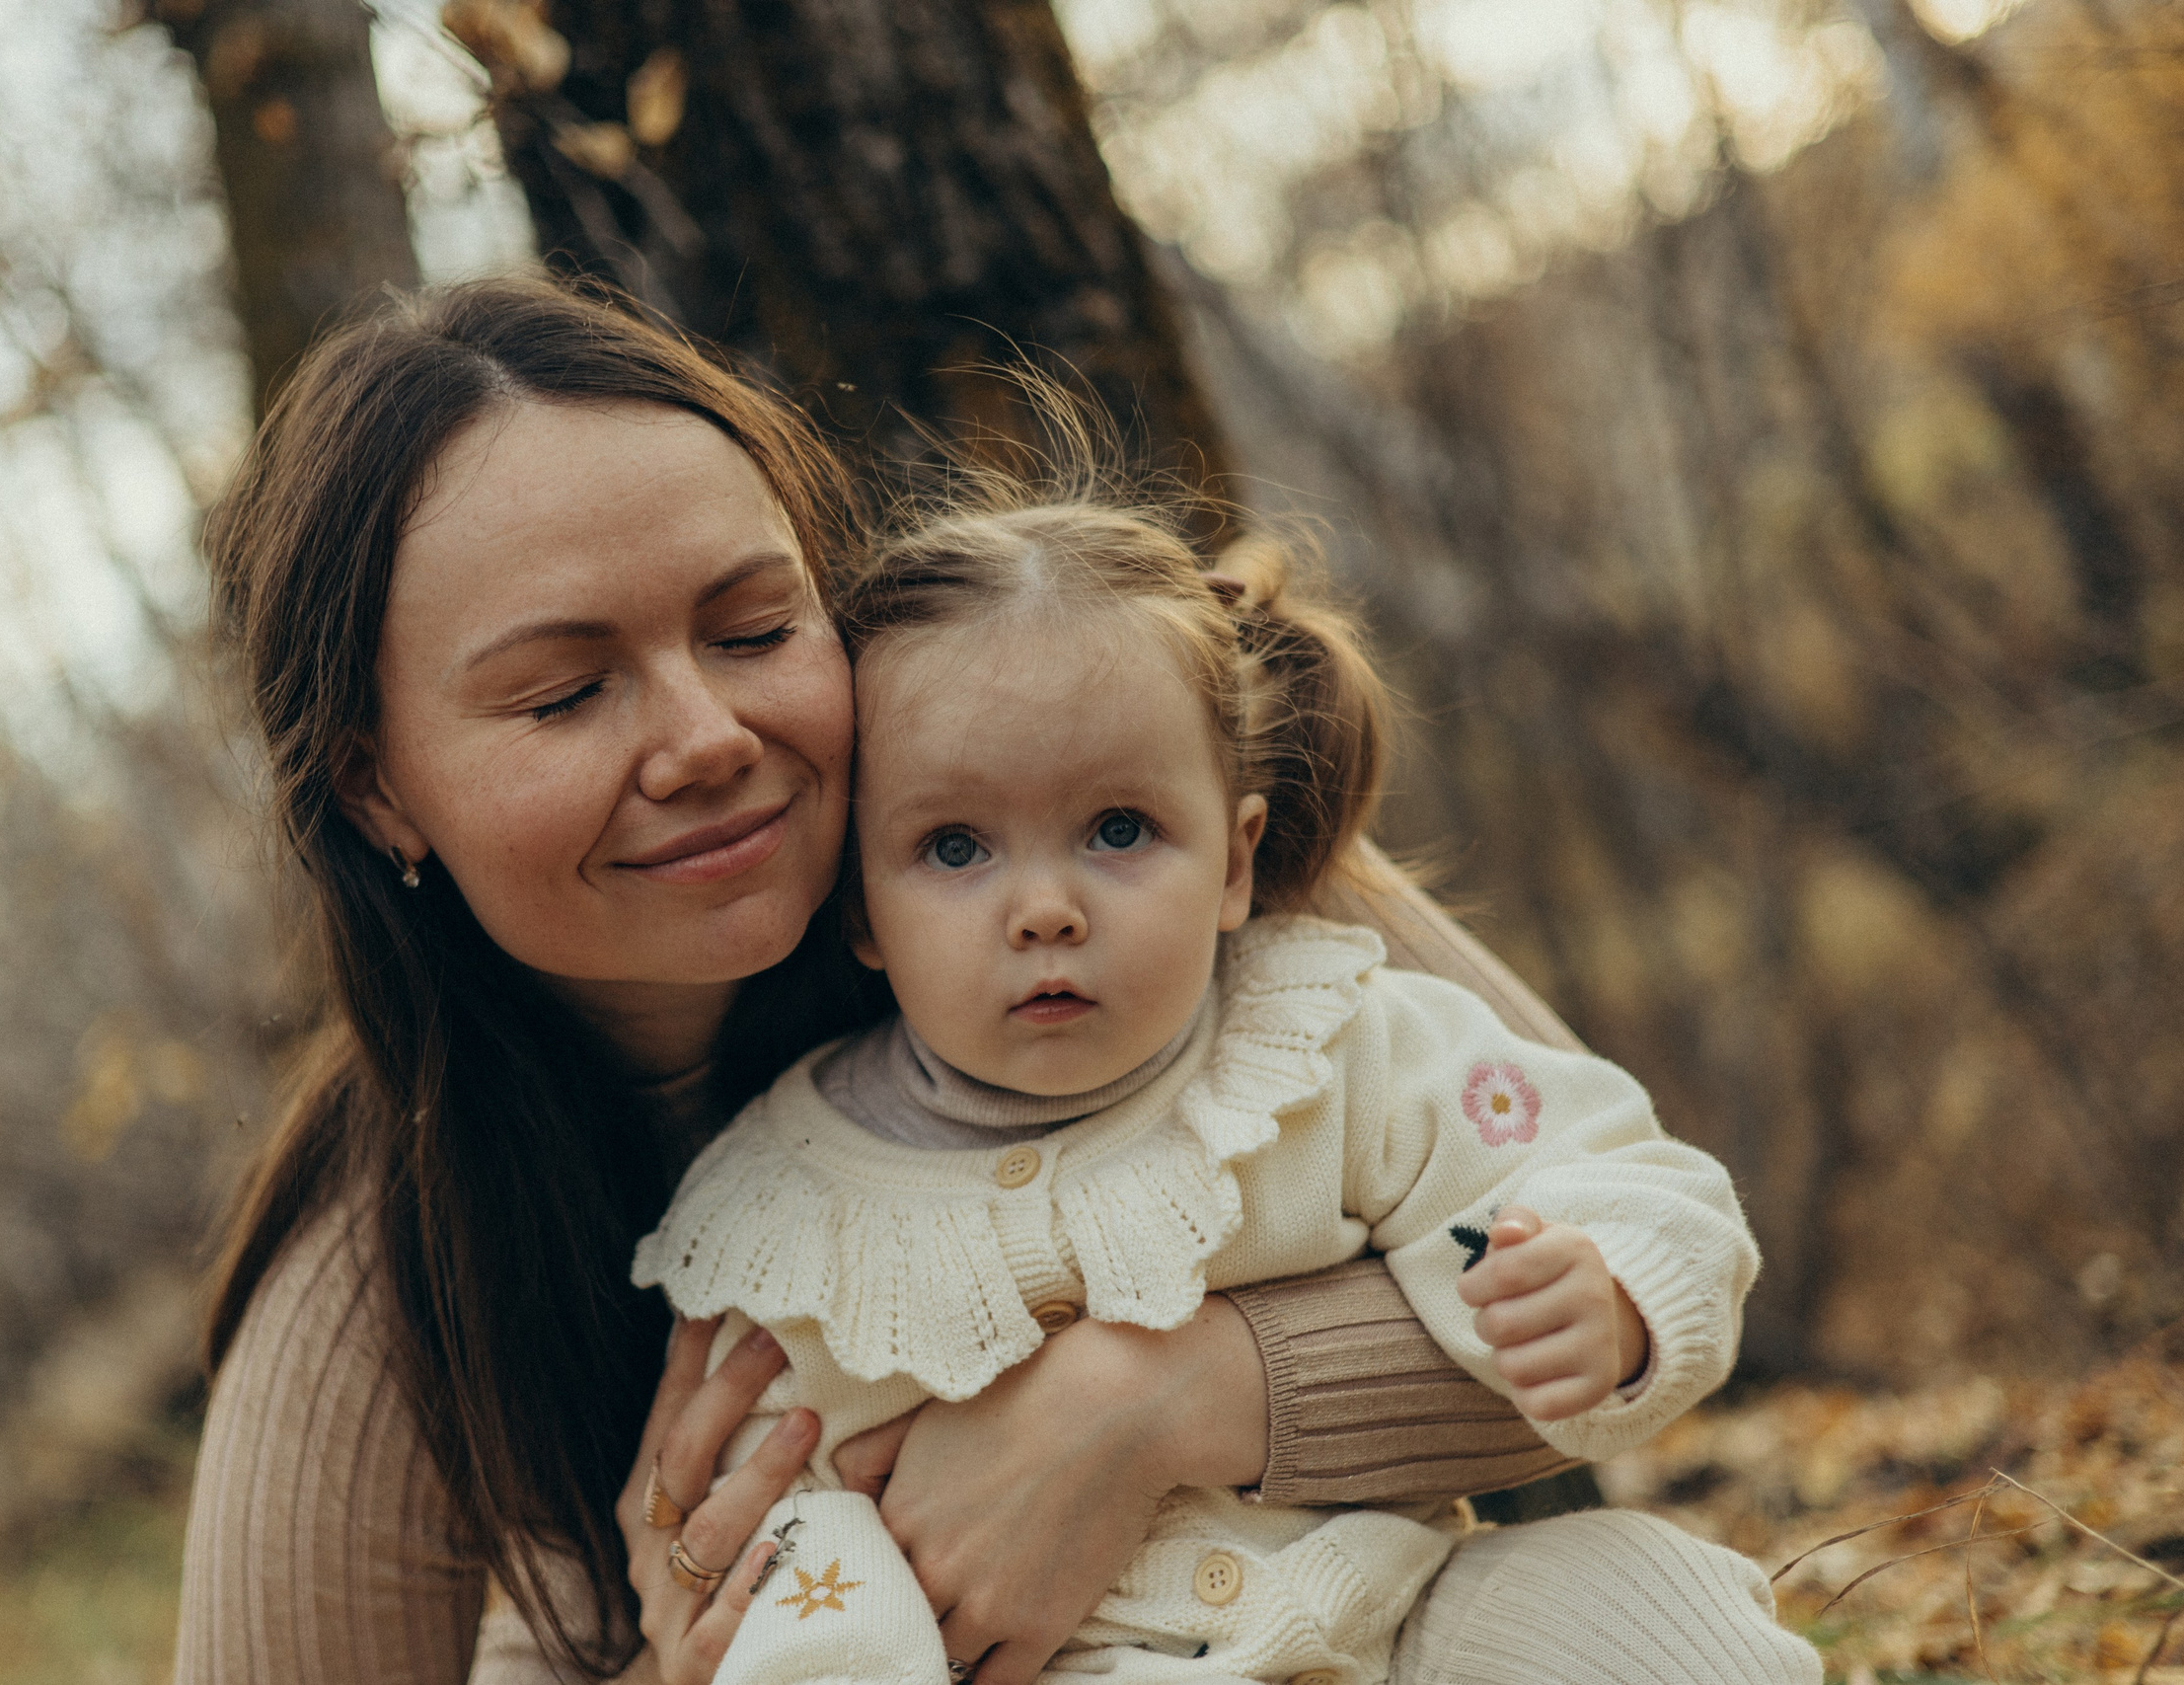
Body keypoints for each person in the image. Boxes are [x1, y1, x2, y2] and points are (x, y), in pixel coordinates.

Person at [170, 275, 1799, 1685]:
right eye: (565, 691)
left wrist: (1165, 1399)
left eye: (752, 628)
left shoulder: (1103, 838)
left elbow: (1600, 1265)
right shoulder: (389, 1270)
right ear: (380, 786)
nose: (708, 737)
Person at [630, 490, 1818, 1685]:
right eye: (954, 848)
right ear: (862, 913)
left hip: (1393, 1613)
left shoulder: (1328, 1046)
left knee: (1640, 1604)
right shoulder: (786, 1202)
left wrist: (1605, 1292)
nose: (1045, 908)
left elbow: (1603, 1166)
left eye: (1117, 829)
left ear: (1238, 859)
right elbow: (773, 1500)